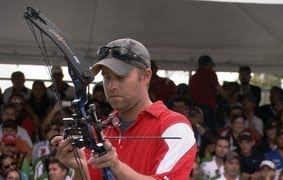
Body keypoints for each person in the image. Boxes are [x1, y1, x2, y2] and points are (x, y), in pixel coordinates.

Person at [52, 38, 197, 179]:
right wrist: (79, 168)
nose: (111, 86)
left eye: (120, 77)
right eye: (107, 77)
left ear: (146, 76)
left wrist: (117, 167)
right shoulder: (99, 129)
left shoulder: (175, 126)